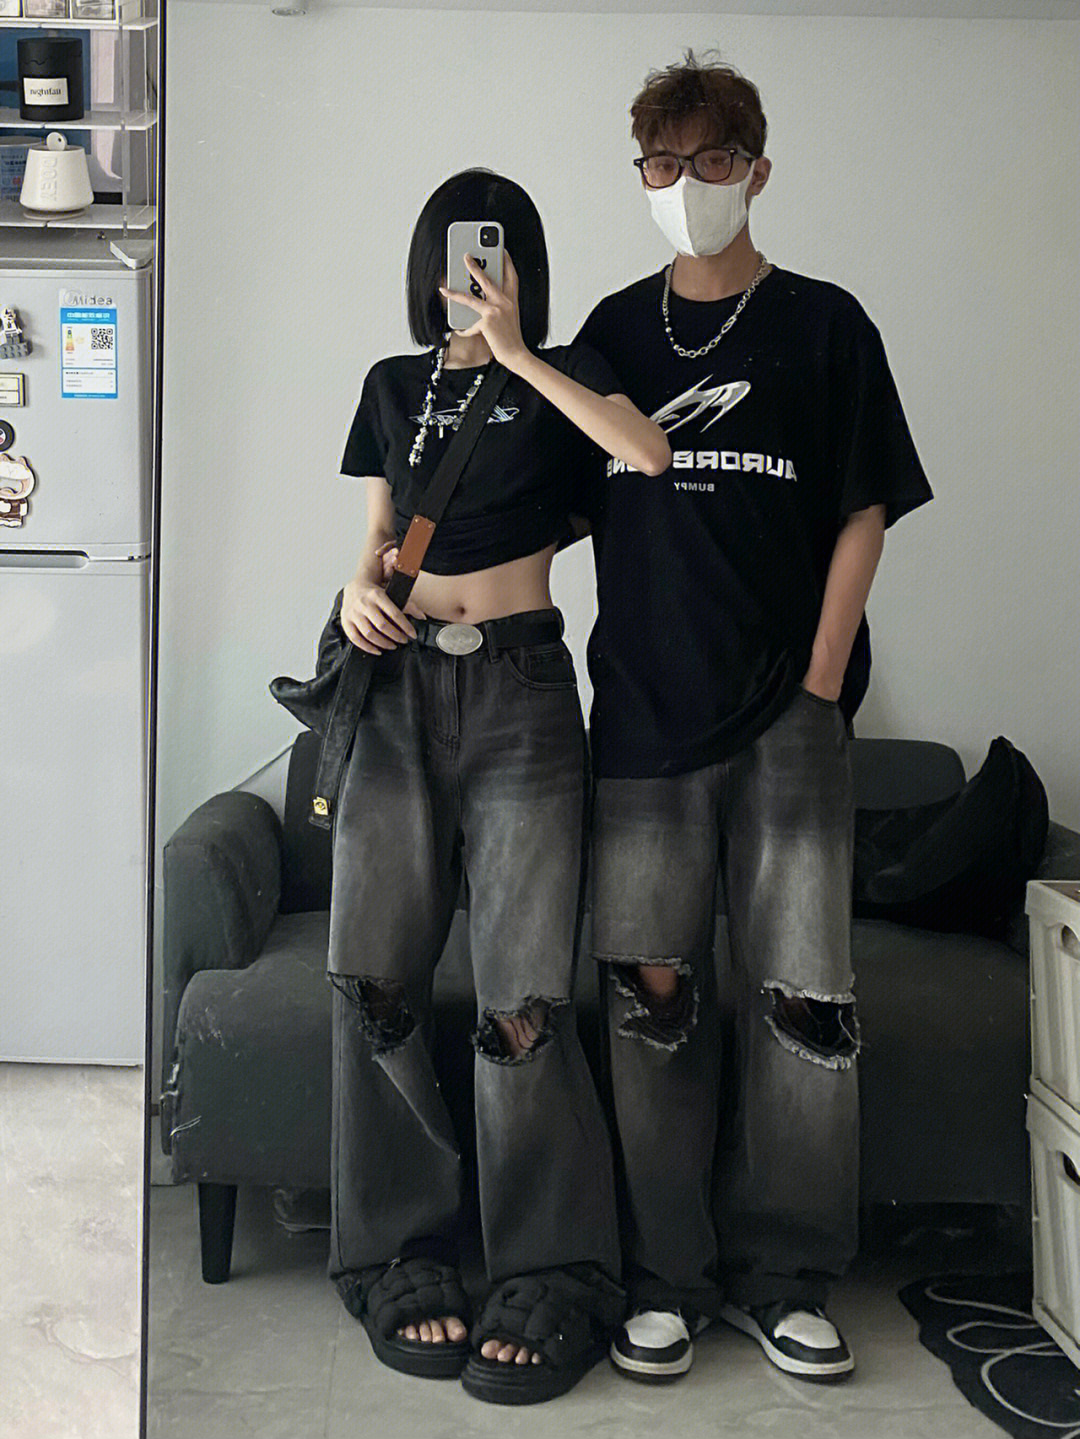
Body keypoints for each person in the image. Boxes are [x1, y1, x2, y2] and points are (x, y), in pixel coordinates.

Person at [571, 50, 934, 1383]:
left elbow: (867, 507)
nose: (688, 183)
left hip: (789, 714)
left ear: (758, 170)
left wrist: (823, 681)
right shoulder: (610, 332)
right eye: (663, 164)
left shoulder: (828, 325)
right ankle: (667, 1278)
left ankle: (787, 1277)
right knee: (651, 997)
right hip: (644, 721)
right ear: (643, 175)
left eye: (713, 160)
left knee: (802, 1002)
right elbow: (540, 488)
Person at [325, 167, 670, 1405]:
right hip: (398, 683)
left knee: (523, 989)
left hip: (522, 685)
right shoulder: (389, 384)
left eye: (495, 252)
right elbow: (377, 542)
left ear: (522, 266)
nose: (471, 272)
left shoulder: (564, 373)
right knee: (373, 975)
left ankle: (552, 1265)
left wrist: (517, 352)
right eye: (456, 254)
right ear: (428, 267)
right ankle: (395, 1250)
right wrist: (355, 591)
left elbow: (646, 451)